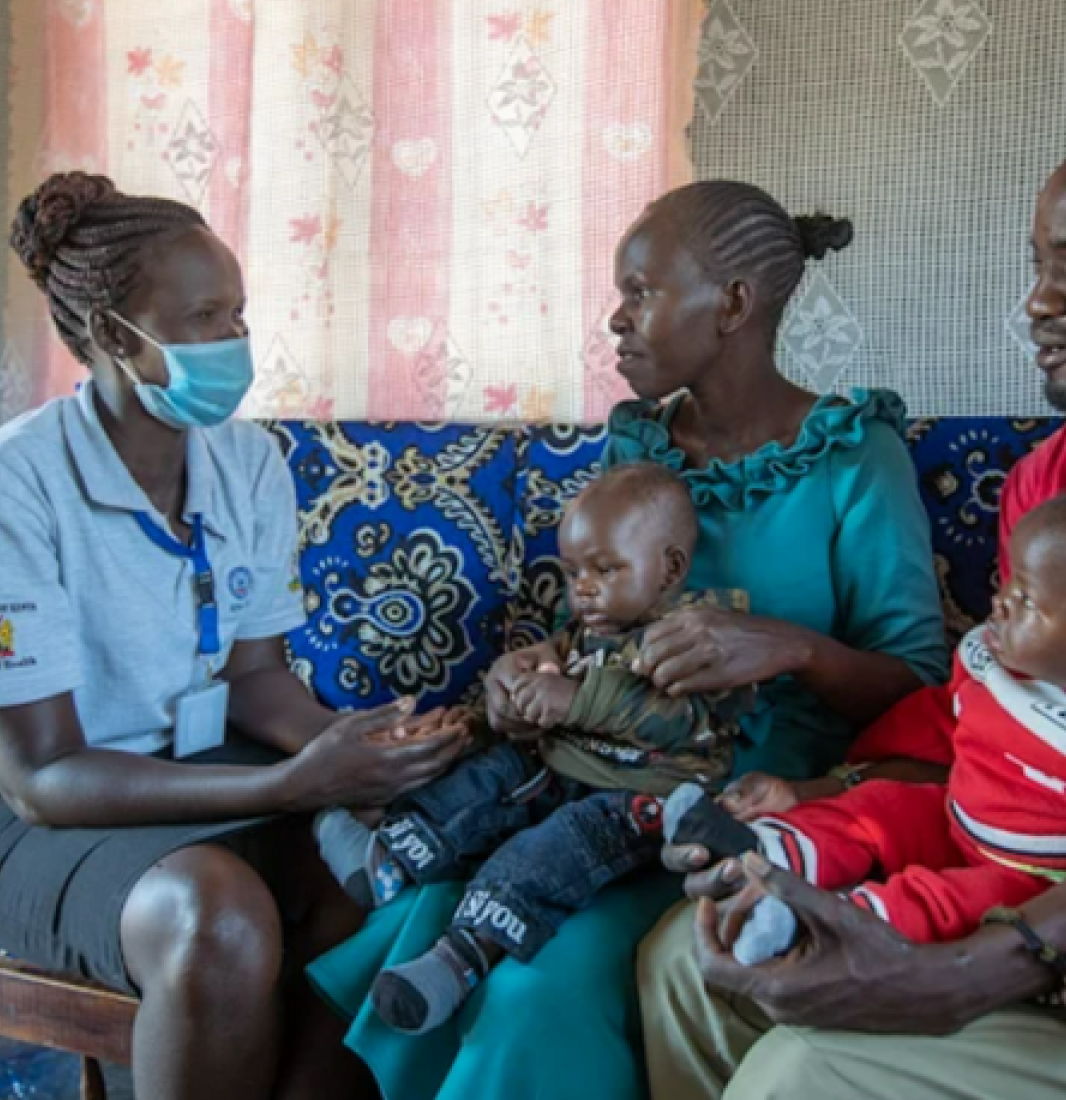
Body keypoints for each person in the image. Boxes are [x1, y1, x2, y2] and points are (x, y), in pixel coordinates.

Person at [307, 180, 949, 1099]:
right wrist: (532, 670)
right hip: (591, 773)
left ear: (733, 303)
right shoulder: (637, 452)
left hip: (740, 809)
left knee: (537, 985)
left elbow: (919, 694)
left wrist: (788, 646)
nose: (616, 320)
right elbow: (593, 621)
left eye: (640, 292)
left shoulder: (851, 455)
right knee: (433, 908)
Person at [640, 104, 1066, 1100]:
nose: (1036, 301)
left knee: (797, 1075)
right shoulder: (1055, 478)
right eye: (1039, 265)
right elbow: (999, 708)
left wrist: (980, 966)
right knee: (689, 960)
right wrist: (831, 796)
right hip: (1018, 876)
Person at [0, 172, 471, 1100]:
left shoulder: (247, 462)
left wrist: (355, 741)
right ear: (110, 337)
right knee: (216, 920)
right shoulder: (18, 485)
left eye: (239, 314)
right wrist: (287, 783)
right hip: (47, 818)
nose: (235, 343)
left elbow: (257, 679)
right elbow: (42, 776)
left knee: (401, 860)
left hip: (210, 770)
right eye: (204, 318)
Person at [662, 483, 1066, 1035]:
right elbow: (946, 721)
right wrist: (832, 783)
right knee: (875, 810)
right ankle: (763, 849)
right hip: (953, 815)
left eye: (1029, 601)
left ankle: (808, 921)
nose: (1000, 603)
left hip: (1035, 875)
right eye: (1007, 581)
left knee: (940, 903)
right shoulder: (1013, 662)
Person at [316, 462, 753, 1035]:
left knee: (549, 851)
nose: (585, 588)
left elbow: (681, 723)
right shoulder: (584, 632)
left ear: (670, 568)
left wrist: (574, 700)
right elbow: (542, 704)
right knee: (489, 776)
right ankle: (391, 859)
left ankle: (458, 960)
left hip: (634, 803)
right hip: (557, 770)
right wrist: (501, 714)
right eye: (574, 573)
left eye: (605, 569)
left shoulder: (700, 633)